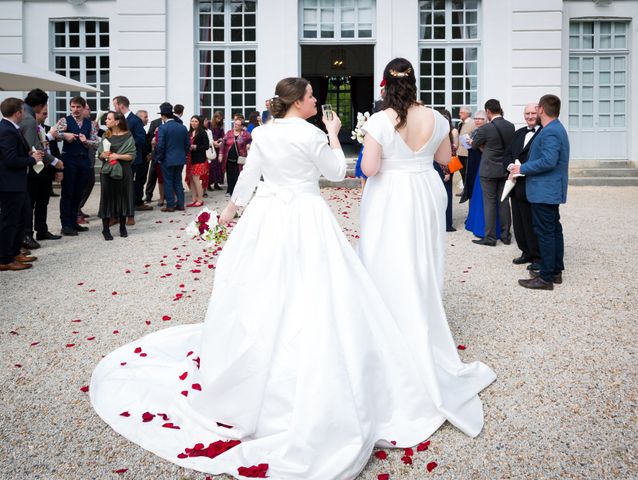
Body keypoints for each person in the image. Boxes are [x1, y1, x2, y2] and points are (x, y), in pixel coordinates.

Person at [90, 76, 493, 480]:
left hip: (267, 216)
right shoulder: (312, 133)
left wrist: (224, 218)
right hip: (305, 215)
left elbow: (247, 182)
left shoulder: (263, 134)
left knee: (263, 286)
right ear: (298, 103)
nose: (316, 99)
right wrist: (335, 136)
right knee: (318, 286)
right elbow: (337, 171)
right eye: (312, 96)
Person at [359, 58, 495, 442]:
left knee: (387, 258)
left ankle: (392, 325)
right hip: (425, 191)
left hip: (391, 194)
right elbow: (441, 160)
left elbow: (369, 169)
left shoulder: (380, 120)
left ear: (385, 85)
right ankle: (422, 315)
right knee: (422, 258)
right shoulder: (437, 117)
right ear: (415, 83)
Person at [510, 94, 569, 290]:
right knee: (553, 230)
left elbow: (549, 161)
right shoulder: (555, 128)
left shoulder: (550, 131)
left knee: (545, 232)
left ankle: (545, 278)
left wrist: (522, 168)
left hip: (544, 190)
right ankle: (555, 271)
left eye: (536, 109)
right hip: (549, 189)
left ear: (542, 110)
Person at [0, 97, 43, 271]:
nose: (24, 112)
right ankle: (4, 258)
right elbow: (10, 159)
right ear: (18, 112)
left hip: (17, 183)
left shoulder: (12, 128)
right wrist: (31, 159)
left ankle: (14, 251)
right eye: (23, 110)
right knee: (9, 221)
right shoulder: (6, 130)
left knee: (22, 217)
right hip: (9, 184)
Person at [21, 89, 64, 246]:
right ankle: (27, 235)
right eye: (44, 107)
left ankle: (41, 230)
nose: (45, 111)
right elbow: (34, 147)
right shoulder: (29, 119)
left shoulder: (26, 115)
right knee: (30, 202)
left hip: (40, 168)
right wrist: (55, 162)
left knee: (41, 200)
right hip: (31, 167)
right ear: (39, 105)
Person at [469, 99, 515, 246]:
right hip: (504, 169)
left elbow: (475, 144)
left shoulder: (486, 128)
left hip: (488, 169)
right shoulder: (510, 126)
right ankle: (506, 235)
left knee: (489, 203)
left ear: (488, 111)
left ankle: (490, 238)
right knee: (504, 202)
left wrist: (480, 144)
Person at [503, 103, 542, 271]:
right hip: (515, 183)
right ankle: (525, 252)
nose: (530, 116)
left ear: (539, 113)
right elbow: (507, 154)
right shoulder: (518, 133)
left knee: (532, 221)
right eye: (527, 113)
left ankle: (538, 256)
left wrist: (523, 169)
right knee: (518, 220)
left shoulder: (544, 133)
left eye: (533, 113)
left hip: (532, 183)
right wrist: (510, 166)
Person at [53, 96, 99, 236]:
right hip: (69, 159)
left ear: (84, 107)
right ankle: (65, 225)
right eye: (73, 107)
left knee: (79, 192)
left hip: (84, 160)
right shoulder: (64, 120)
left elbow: (96, 142)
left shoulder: (89, 124)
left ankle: (74, 222)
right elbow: (53, 134)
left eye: (78, 107)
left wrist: (87, 142)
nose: (75, 110)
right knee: (67, 192)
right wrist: (64, 134)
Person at [97, 112, 137, 240]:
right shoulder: (105, 135)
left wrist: (117, 156)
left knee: (123, 197)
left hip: (124, 170)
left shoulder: (128, 135)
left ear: (117, 121)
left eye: (109, 119)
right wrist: (102, 155)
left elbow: (132, 155)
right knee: (106, 198)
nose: (106, 121)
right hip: (107, 171)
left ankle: (122, 227)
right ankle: (105, 229)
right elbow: (100, 153)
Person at [113, 96, 149, 222]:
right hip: (117, 159)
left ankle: (130, 214)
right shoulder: (116, 119)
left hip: (132, 159)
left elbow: (141, 138)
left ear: (121, 105)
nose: (114, 108)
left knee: (128, 187)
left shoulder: (135, 120)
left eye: (115, 105)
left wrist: (126, 143)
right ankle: (117, 214)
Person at [156, 103, 189, 212]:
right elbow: (187, 145)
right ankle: (180, 204)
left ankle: (170, 205)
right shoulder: (182, 127)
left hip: (167, 159)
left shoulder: (162, 128)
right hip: (180, 158)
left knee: (168, 181)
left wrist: (160, 158)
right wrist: (183, 155)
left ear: (163, 116)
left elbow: (160, 145)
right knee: (178, 181)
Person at [435, 108, 458, 232]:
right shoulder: (447, 133)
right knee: (445, 195)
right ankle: (446, 224)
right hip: (444, 166)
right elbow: (443, 154)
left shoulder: (438, 132)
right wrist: (447, 171)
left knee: (441, 195)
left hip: (442, 165)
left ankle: (443, 222)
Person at [219, 113, 251, 197]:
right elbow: (223, 143)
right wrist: (220, 154)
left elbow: (252, 140)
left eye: (237, 124)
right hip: (228, 157)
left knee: (238, 175)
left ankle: (237, 192)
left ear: (241, 126)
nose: (235, 125)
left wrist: (249, 144)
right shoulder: (229, 133)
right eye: (235, 124)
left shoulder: (245, 134)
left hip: (240, 158)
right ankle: (229, 191)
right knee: (229, 175)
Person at [77, 103, 98, 224]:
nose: (90, 111)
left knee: (90, 182)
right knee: (82, 184)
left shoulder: (90, 123)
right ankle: (77, 211)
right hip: (79, 159)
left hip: (89, 159)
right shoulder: (71, 122)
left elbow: (95, 139)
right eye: (88, 109)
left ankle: (79, 207)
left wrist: (96, 129)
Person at [185, 115, 210, 207]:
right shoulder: (189, 133)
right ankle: (194, 199)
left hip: (199, 159)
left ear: (199, 122)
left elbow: (206, 146)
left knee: (196, 179)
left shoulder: (202, 132)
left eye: (196, 121)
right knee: (191, 179)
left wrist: (196, 147)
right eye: (192, 121)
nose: (193, 123)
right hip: (190, 159)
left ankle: (200, 199)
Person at [456, 105, 474, 193]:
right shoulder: (460, 123)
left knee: (468, 173)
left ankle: (468, 191)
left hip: (468, 153)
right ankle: (465, 191)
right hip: (459, 153)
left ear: (467, 113)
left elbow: (475, 136)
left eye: (461, 112)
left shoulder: (473, 123)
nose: (459, 114)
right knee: (462, 173)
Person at [207, 110, 225, 191]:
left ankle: (216, 183)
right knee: (211, 167)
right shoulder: (209, 124)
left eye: (220, 119)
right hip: (210, 148)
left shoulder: (220, 126)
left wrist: (220, 141)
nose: (219, 120)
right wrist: (213, 142)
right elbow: (206, 135)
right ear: (214, 117)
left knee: (218, 167)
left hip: (217, 148)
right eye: (217, 118)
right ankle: (208, 184)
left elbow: (222, 136)